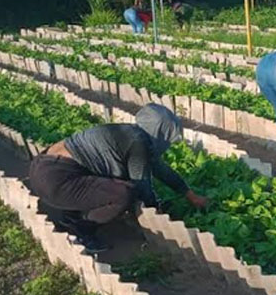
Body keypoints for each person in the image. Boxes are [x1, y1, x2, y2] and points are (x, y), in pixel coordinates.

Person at [29, 104, 207, 253]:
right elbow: (141, 183)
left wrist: (189, 194)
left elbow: (161, 170)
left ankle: (70, 214)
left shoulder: (130, 133)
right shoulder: (138, 144)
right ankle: (82, 228)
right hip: (56, 182)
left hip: (41, 169)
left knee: (107, 179)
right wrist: (155, 210)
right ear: (161, 133)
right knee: (123, 194)